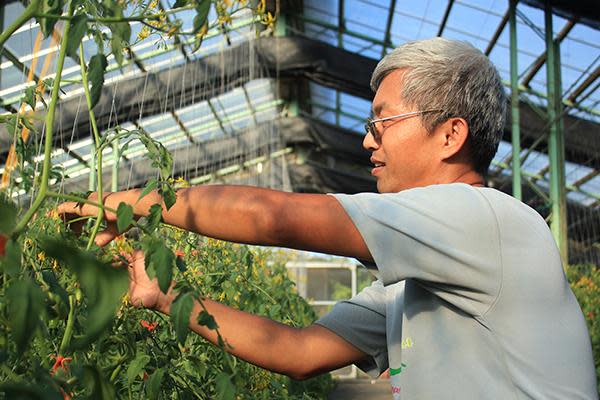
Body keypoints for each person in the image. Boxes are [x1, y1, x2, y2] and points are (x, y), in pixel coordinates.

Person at [58, 38, 598, 399]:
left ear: (450, 135)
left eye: (383, 122)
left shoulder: (485, 219)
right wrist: (165, 299)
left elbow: (274, 217)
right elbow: (297, 351)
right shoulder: (417, 284)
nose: (368, 140)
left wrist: (122, 203)